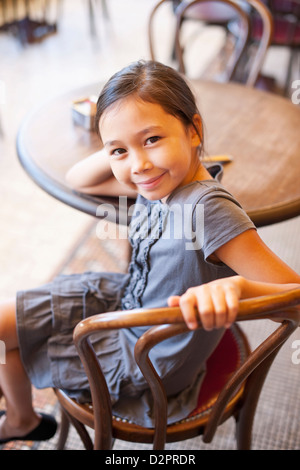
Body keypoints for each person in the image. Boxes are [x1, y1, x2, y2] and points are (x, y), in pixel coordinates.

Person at [0, 60, 299, 444]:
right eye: (119, 151)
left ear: (195, 131)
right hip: (129, 301)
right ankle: (22, 421)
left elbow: (296, 298)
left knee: (14, 344)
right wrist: (122, 139)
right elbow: (79, 178)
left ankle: (19, 418)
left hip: (149, 352)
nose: (139, 165)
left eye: (153, 139)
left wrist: (239, 290)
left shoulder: (206, 210)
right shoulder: (159, 180)